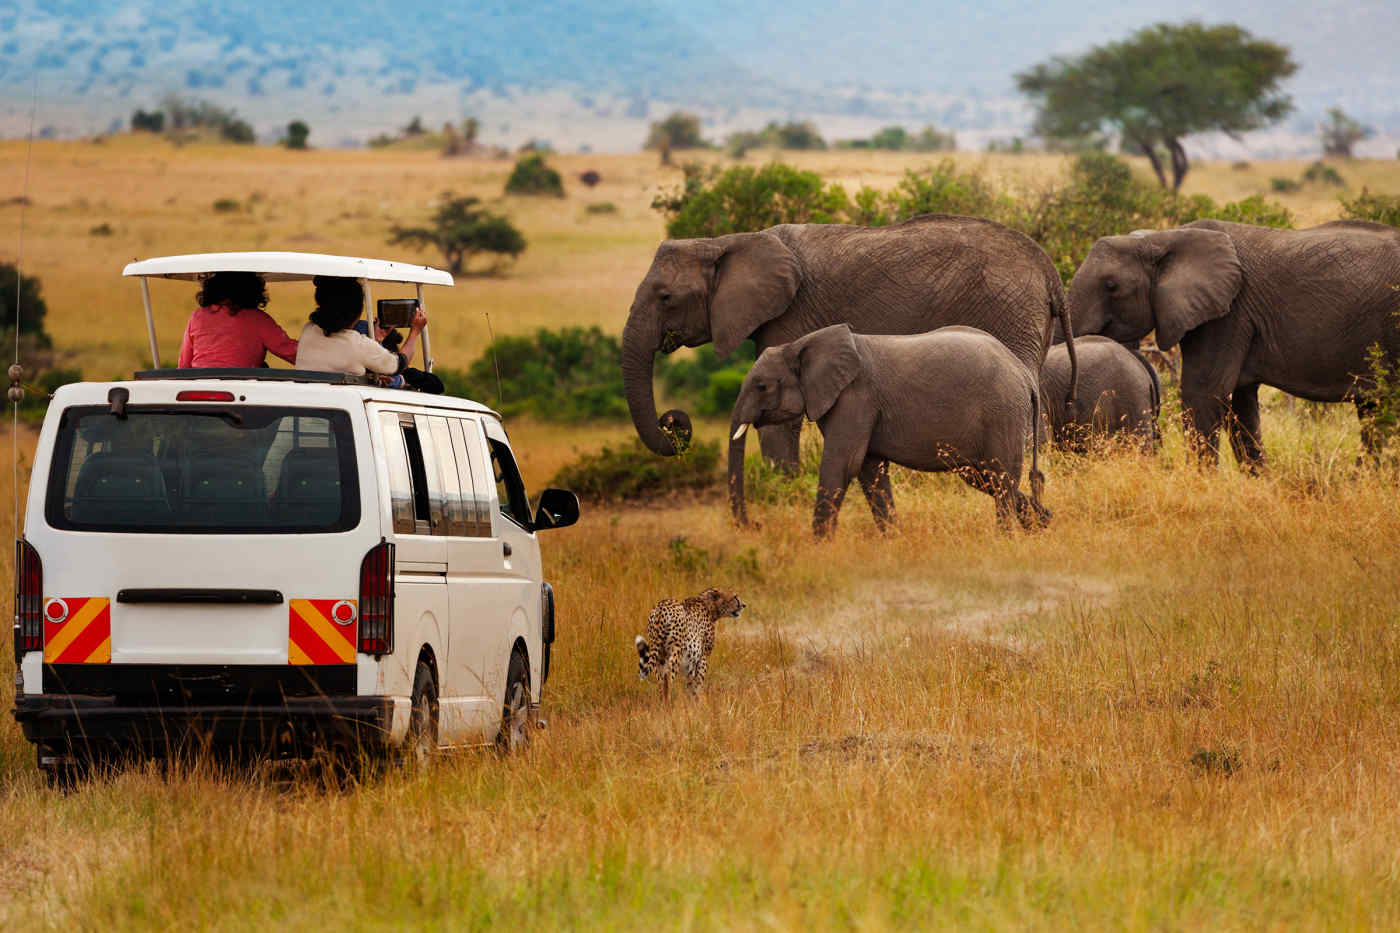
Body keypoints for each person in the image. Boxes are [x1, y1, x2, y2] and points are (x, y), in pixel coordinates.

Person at [295, 276, 428, 383]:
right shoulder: (358, 344)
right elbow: (399, 364)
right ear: (357, 312)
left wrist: (376, 340)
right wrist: (415, 332)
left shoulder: (308, 331)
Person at [177, 271, 299, 368]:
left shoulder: (197, 317)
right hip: (244, 392)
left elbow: (184, 365)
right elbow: (291, 352)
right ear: (253, 288)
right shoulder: (258, 319)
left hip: (199, 389)